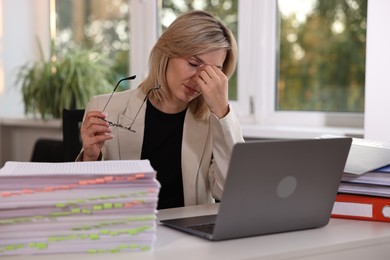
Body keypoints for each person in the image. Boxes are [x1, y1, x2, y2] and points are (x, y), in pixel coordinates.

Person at [78, 10, 244, 209]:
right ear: (166, 54)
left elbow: (231, 191)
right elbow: (84, 199)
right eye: (193, 63)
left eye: (212, 72)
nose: (199, 80)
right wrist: (90, 156)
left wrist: (223, 113)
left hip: (189, 236)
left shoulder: (216, 120)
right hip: (128, 232)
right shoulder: (106, 108)